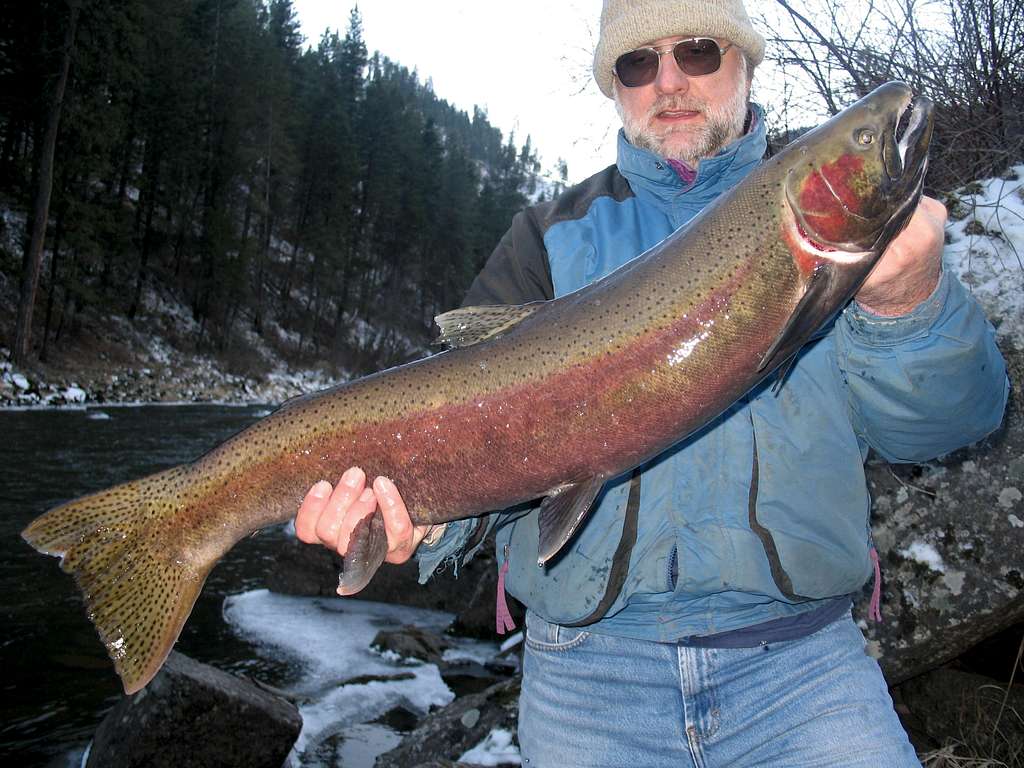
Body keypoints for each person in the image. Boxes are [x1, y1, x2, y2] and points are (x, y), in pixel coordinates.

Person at [294, 1, 1010, 765]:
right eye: (638, 63)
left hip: (803, 668)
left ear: (744, 61)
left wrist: (908, 306)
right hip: (586, 678)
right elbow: (470, 431)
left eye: (698, 51)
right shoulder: (546, 238)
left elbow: (945, 429)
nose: (668, 81)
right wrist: (427, 520)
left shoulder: (853, 253)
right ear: (614, 86)